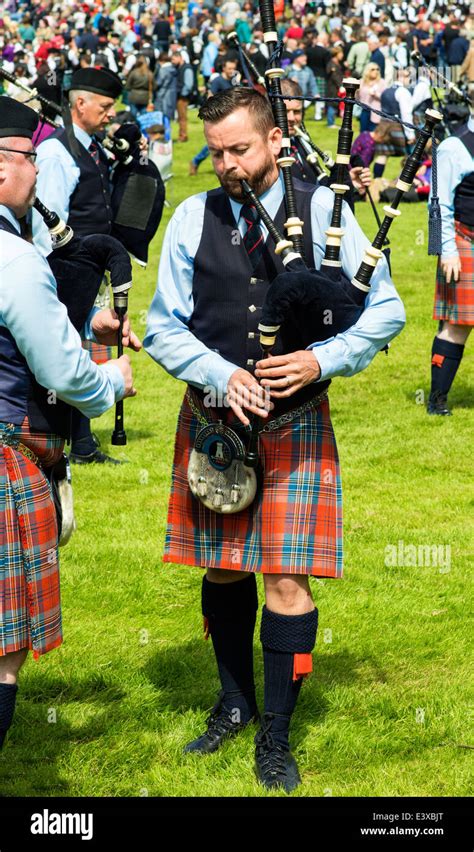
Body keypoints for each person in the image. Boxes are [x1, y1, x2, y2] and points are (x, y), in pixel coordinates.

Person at [144, 88, 405, 793]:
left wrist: (323, 359)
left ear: (274, 142)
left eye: (241, 149)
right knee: (226, 569)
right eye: (217, 151)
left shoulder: (323, 210)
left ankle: (276, 735)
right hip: (216, 425)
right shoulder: (191, 217)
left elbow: (386, 311)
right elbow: (163, 324)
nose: (227, 164)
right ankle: (233, 701)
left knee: (287, 580)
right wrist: (221, 373)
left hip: (295, 424)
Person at [0, 96, 138, 750]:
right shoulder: (16, 262)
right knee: (2, 650)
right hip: (8, 453)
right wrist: (109, 376)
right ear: (3, 170)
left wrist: (79, 325)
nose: (36, 168)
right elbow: (63, 375)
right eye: (28, 156)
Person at [32, 66, 125, 465]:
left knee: (85, 350)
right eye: (104, 107)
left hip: (90, 268)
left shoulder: (91, 145)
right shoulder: (56, 153)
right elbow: (46, 224)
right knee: (69, 350)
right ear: (79, 103)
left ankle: (81, 441)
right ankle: (69, 441)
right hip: (66, 270)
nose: (110, 114)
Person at [427, 112, 474, 415]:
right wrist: (445, 250)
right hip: (463, 241)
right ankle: (437, 401)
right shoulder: (454, 147)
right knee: (457, 326)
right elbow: (436, 203)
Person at [171, 48, 195, 142]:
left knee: (182, 117)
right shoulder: (179, 67)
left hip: (182, 97)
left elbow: (188, 84)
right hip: (179, 95)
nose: (172, 62)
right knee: (180, 117)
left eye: (173, 59)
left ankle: (183, 136)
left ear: (179, 58)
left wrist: (182, 94)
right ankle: (182, 135)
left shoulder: (187, 68)